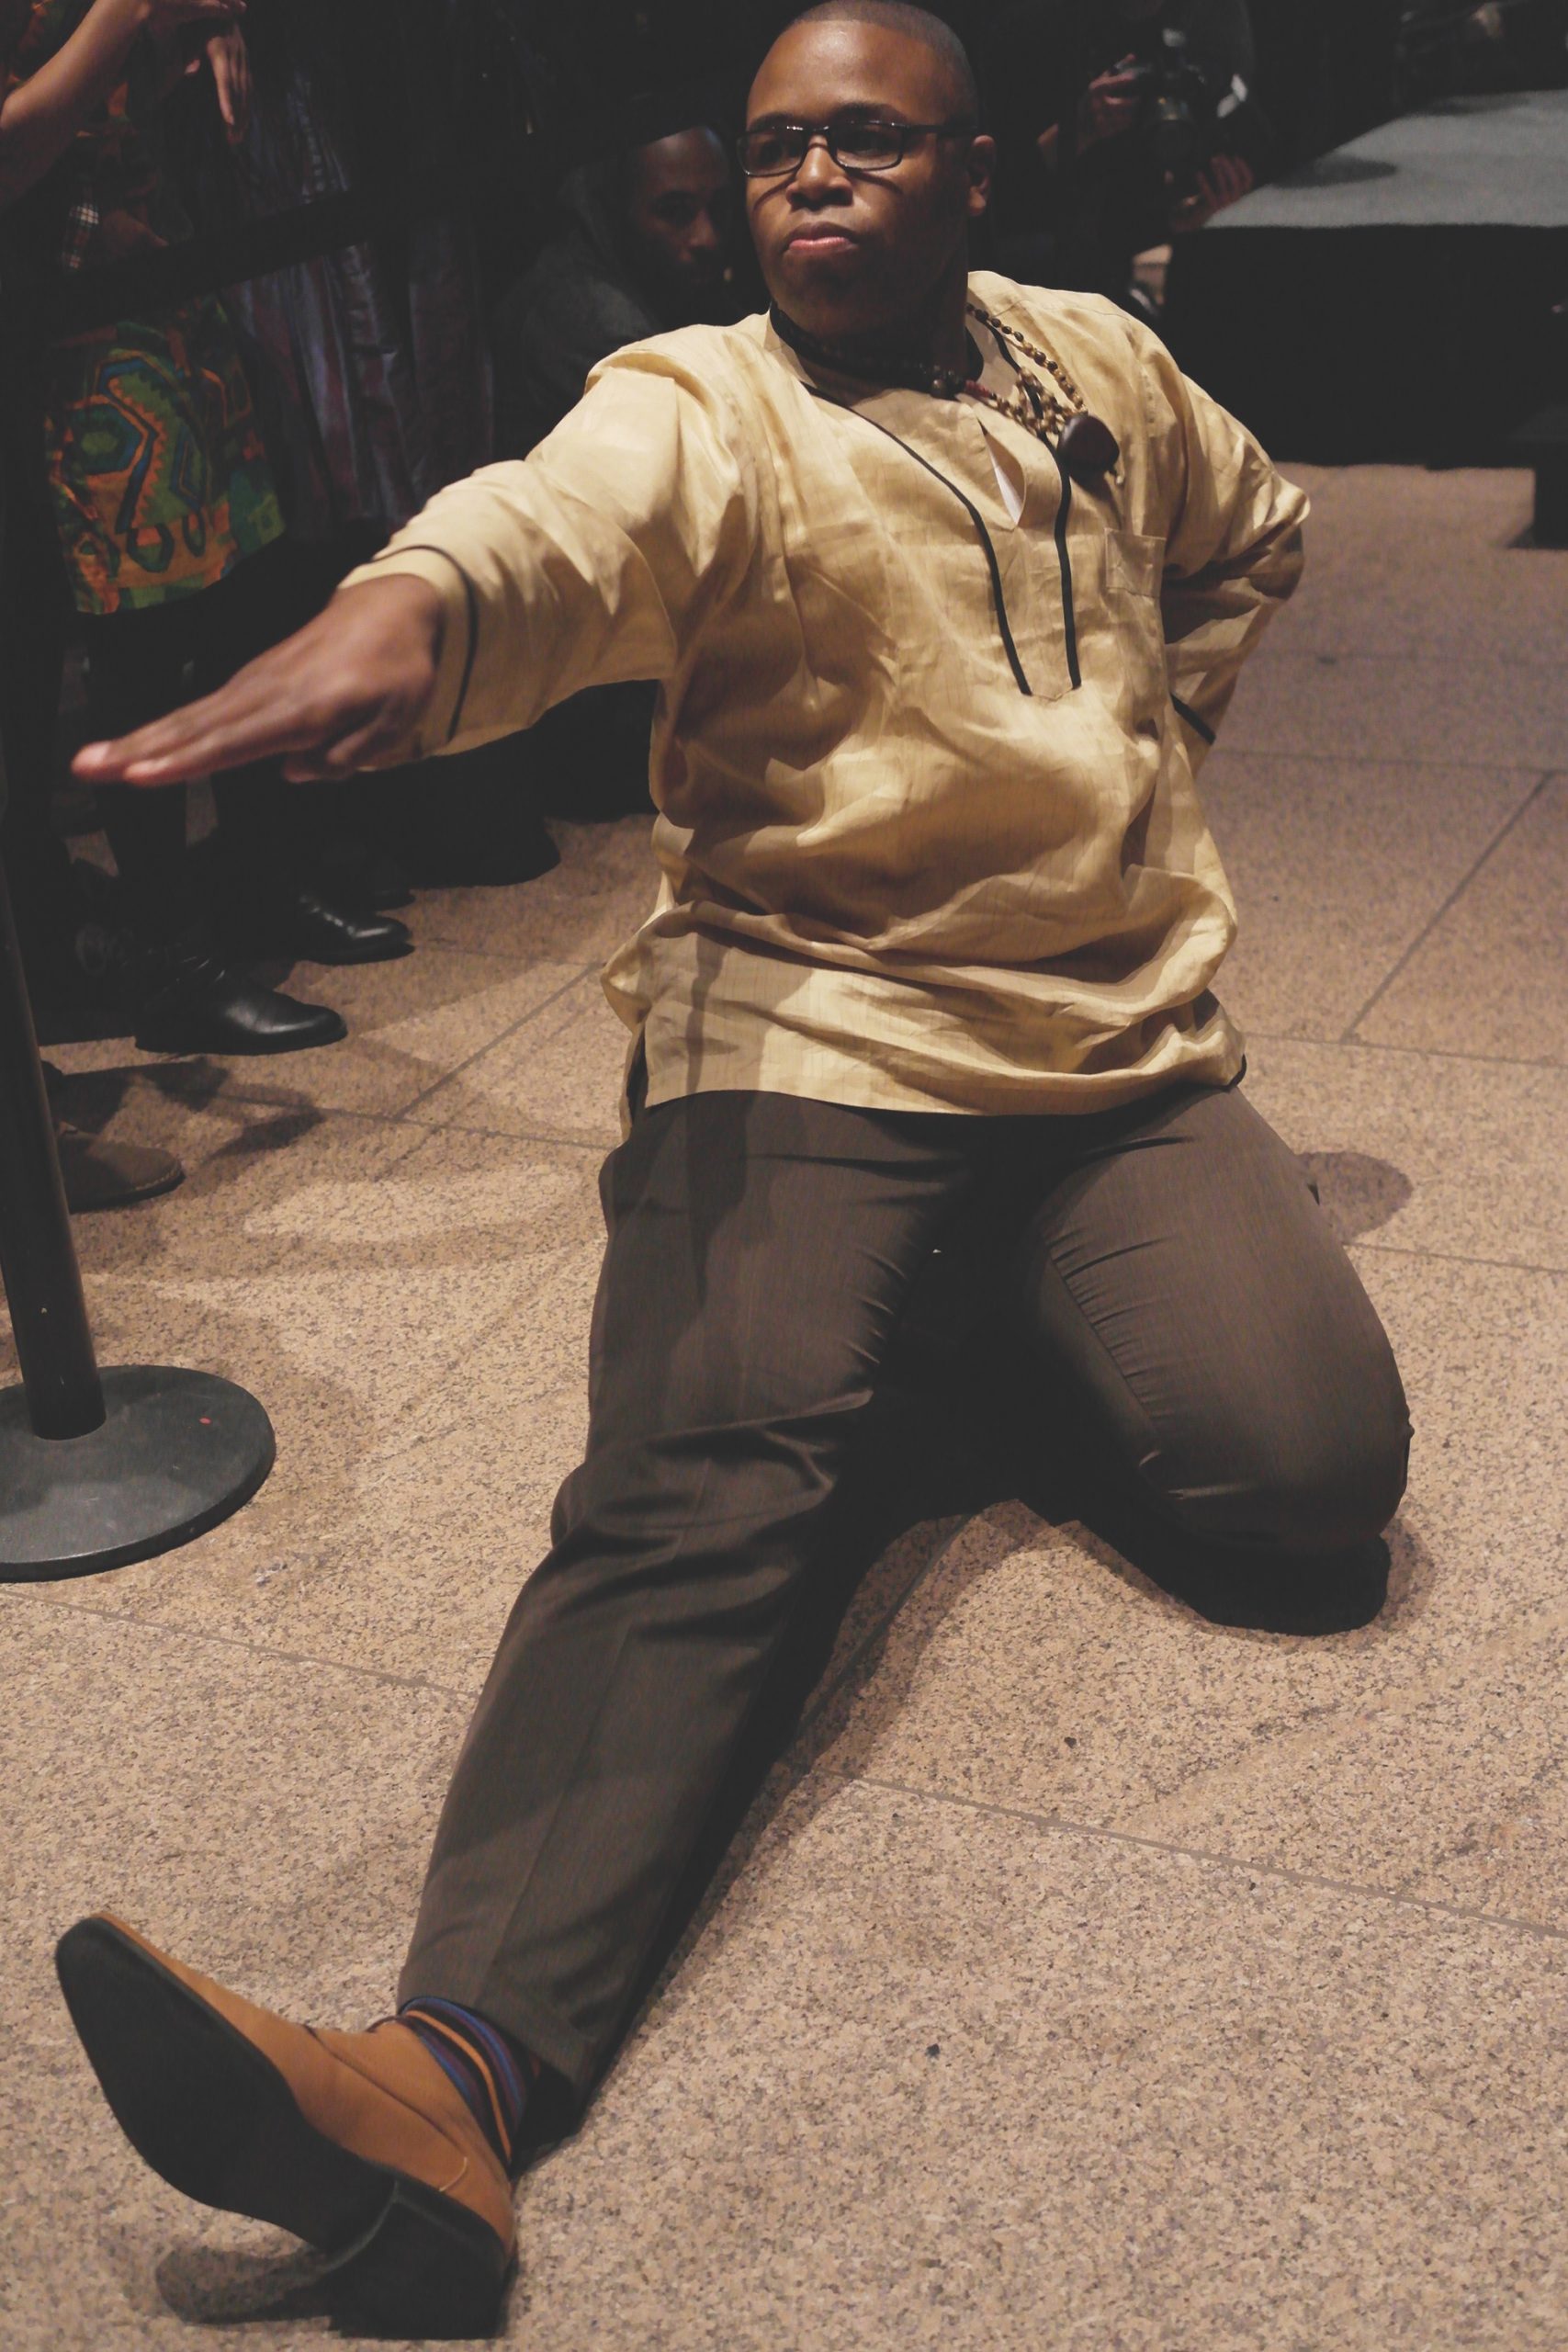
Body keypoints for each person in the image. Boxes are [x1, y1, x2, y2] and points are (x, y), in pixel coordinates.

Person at [52, 2, 1411, 2336]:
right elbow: (537, 533)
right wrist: (405, 620)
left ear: (970, 176)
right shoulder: (698, 401)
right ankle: (445, 2077)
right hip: (807, 1036)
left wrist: (1147, 741)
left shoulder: (1088, 358)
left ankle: (973, 1316)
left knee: (1304, 1492)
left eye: (865, 144)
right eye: (777, 146)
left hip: (1102, 1049)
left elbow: (1250, 526)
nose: (806, 183)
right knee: (696, 1490)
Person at [0, 0, 409, 1062]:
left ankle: (259, 886)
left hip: (163, 281)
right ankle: (172, 961)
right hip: (67, 327)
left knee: (251, 593)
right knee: (140, 648)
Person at [490, 107, 745, 815]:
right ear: (613, 209)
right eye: (674, 213)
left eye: (717, 208)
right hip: (580, 682)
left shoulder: (642, 280)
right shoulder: (589, 318)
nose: (706, 238)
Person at [982, 0, 1263, 305]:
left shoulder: (1196, 29)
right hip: (1029, 280)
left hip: (1114, 271)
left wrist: (1181, 219)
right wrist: (1077, 131)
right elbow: (994, 200)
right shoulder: (1034, 27)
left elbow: (1119, 222)